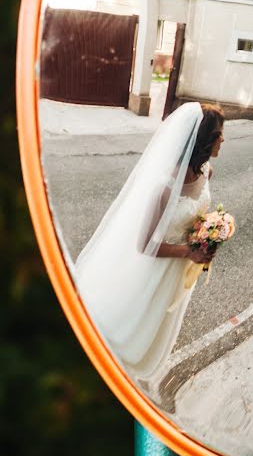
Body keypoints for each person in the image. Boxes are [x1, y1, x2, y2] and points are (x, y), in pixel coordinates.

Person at [75, 103, 225, 378]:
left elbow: (198, 214)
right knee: (136, 320)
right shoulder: (164, 188)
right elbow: (143, 245)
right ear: (203, 140)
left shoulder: (207, 172)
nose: (223, 139)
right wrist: (188, 252)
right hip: (160, 264)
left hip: (181, 267)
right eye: (218, 135)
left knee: (161, 320)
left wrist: (208, 235)